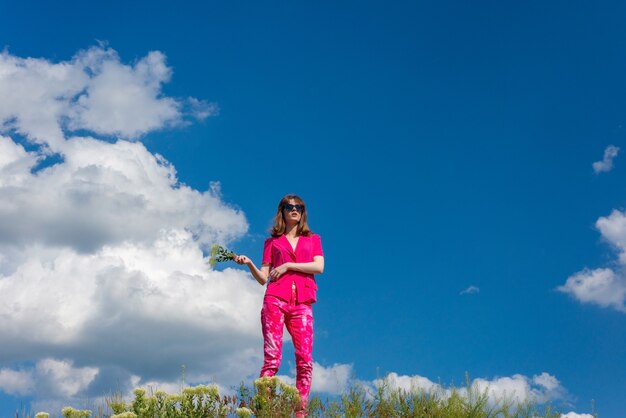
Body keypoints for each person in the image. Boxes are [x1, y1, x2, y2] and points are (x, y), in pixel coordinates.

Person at [234, 194, 324, 416]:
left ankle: (300, 413)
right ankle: (266, 409)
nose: (294, 210)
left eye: (299, 207)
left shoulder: (313, 239)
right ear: (282, 211)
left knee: (305, 360)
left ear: (303, 212)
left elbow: (318, 267)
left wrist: (287, 266)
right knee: (272, 358)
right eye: (289, 206)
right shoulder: (272, 243)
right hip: (275, 299)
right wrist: (249, 264)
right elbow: (264, 277)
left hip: (302, 303)